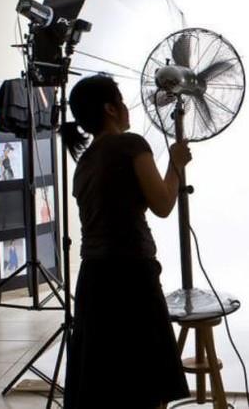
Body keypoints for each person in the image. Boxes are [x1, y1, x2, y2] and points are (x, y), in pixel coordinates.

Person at [60, 74, 191, 409]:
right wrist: (176, 163)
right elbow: (163, 204)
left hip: (93, 280)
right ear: (110, 108)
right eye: (120, 99)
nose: (125, 105)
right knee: (145, 384)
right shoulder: (131, 145)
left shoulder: (84, 162)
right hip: (131, 277)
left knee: (106, 386)